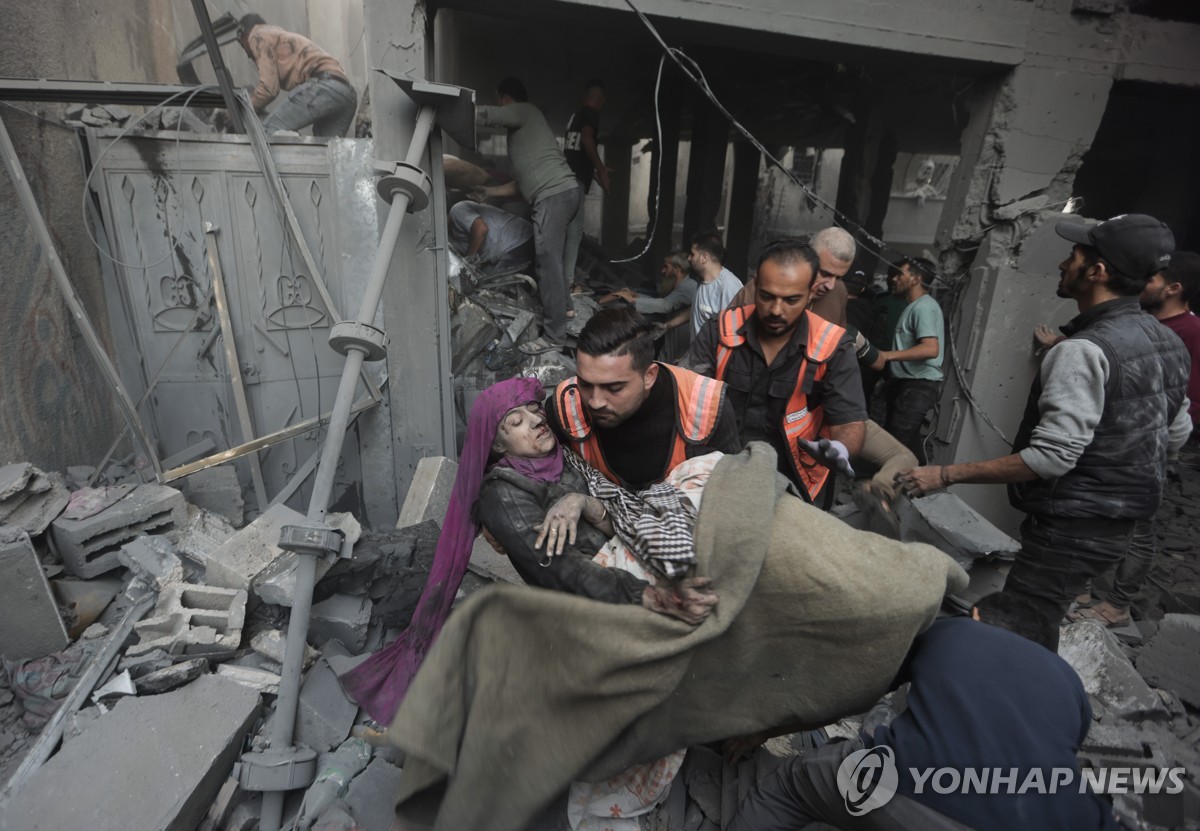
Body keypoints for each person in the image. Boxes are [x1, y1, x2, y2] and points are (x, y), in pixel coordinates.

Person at [897, 214, 1191, 648]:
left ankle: (1004, 708)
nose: (1061, 265)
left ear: (1097, 271)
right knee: (1040, 621)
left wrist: (943, 475)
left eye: (1073, 256)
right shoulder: (1167, 340)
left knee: (1018, 634)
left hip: (1072, 528)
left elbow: (1050, 458)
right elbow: (1177, 430)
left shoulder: (1083, 351)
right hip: (1117, 525)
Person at [726, 594, 1117, 831]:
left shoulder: (956, 631)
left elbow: (853, 693)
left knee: (794, 786)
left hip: (915, 784)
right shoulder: (1069, 684)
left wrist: (767, 728)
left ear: (976, 617)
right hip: (1066, 819)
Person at [1070, 250, 1200, 628]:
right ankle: (1080, 587)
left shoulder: (1188, 332)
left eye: (1153, 279)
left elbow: (1182, 398)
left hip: (1155, 439)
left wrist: (1166, 449)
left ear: (1173, 288)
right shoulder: (1147, 323)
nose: (1144, 284)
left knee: (1138, 526)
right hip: (1126, 434)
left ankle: (1118, 605)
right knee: (1094, 511)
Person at [686, 239, 868, 506]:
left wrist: (840, 448)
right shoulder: (720, 331)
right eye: (767, 296)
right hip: (721, 473)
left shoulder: (833, 347)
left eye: (791, 300)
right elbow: (691, 401)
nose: (776, 310)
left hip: (793, 484)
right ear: (755, 286)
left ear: (810, 295)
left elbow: (850, 422)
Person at [547, 307, 742, 490]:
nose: (595, 402)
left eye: (614, 388)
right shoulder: (565, 404)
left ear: (649, 376)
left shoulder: (709, 407)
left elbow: (731, 493)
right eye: (586, 384)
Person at [475, 77, 581, 354]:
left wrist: (455, 111)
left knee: (546, 264)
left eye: (499, 100)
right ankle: (566, 308)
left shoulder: (524, 110)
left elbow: (491, 116)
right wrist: (490, 192)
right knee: (553, 260)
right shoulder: (526, 137)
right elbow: (523, 186)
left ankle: (554, 335)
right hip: (563, 192)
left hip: (554, 195)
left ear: (504, 98)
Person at [230, 14, 357, 137]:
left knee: (268, 133)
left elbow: (269, 89)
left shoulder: (257, 35)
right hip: (345, 92)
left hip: (324, 86)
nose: (247, 54)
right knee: (325, 152)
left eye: (242, 46)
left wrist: (242, 109)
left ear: (245, 34)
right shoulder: (277, 36)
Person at [878, 257, 944, 463]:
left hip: (917, 386)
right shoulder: (916, 306)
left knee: (896, 449)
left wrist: (887, 355)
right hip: (908, 384)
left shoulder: (923, 307)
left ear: (916, 279)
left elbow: (930, 348)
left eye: (900, 274)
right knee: (907, 447)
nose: (894, 279)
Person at [727, 226, 856, 327]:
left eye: (839, 277)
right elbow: (726, 332)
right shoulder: (766, 285)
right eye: (824, 274)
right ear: (807, 257)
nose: (831, 285)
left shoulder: (839, 291)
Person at [563, 79, 610, 289]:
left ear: (584, 97)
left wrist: (595, 170)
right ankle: (567, 280)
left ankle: (562, 275)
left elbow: (576, 153)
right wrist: (600, 168)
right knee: (574, 232)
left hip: (564, 178)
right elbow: (587, 138)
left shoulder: (575, 116)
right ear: (601, 101)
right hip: (575, 182)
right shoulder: (591, 114)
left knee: (564, 230)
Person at [446, 200, 533, 276]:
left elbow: (481, 229)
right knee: (485, 287)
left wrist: (468, 262)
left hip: (517, 240)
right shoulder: (449, 240)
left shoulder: (457, 210)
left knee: (499, 287)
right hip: (497, 255)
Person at [689, 231, 743, 335]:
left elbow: (732, 333)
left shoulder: (729, 287)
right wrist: (668, 325)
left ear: (704, 258)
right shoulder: (702, 280)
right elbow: (697, 311)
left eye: (692, 254)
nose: (689, 258)